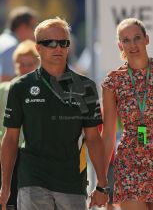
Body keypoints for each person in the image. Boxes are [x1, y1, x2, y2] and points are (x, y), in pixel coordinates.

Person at [0, 17, 109, 210]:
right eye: (50, 43)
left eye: (63, 43)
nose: (57, 48)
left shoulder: (85, 87)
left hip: (72, 181)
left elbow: (93, 138)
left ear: (68, 47)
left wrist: (102, 184)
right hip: (32, 179)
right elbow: (10, 139)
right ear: (38, 48)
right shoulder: (21, 87)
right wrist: (5, 186)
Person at [101, 18, 153, 210]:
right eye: (126, 40)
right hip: (130, 161)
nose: (132, 45)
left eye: (137, 38)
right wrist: (101, 179)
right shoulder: (113, 81)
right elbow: (107, 135)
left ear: (146, 39)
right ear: (119, 45)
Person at [0, 39, 40, 210]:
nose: (25, 68)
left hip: (33, 157)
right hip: (7, 155)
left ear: (38, 64)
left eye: (29, 64)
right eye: (21, 64)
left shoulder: (43, 91)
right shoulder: (3, 90)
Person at [0, 6, 38, 82]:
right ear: (23, 27)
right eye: (33, 27)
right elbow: (5, 83)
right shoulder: (13, 47)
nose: (35, 32)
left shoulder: (3, 40)